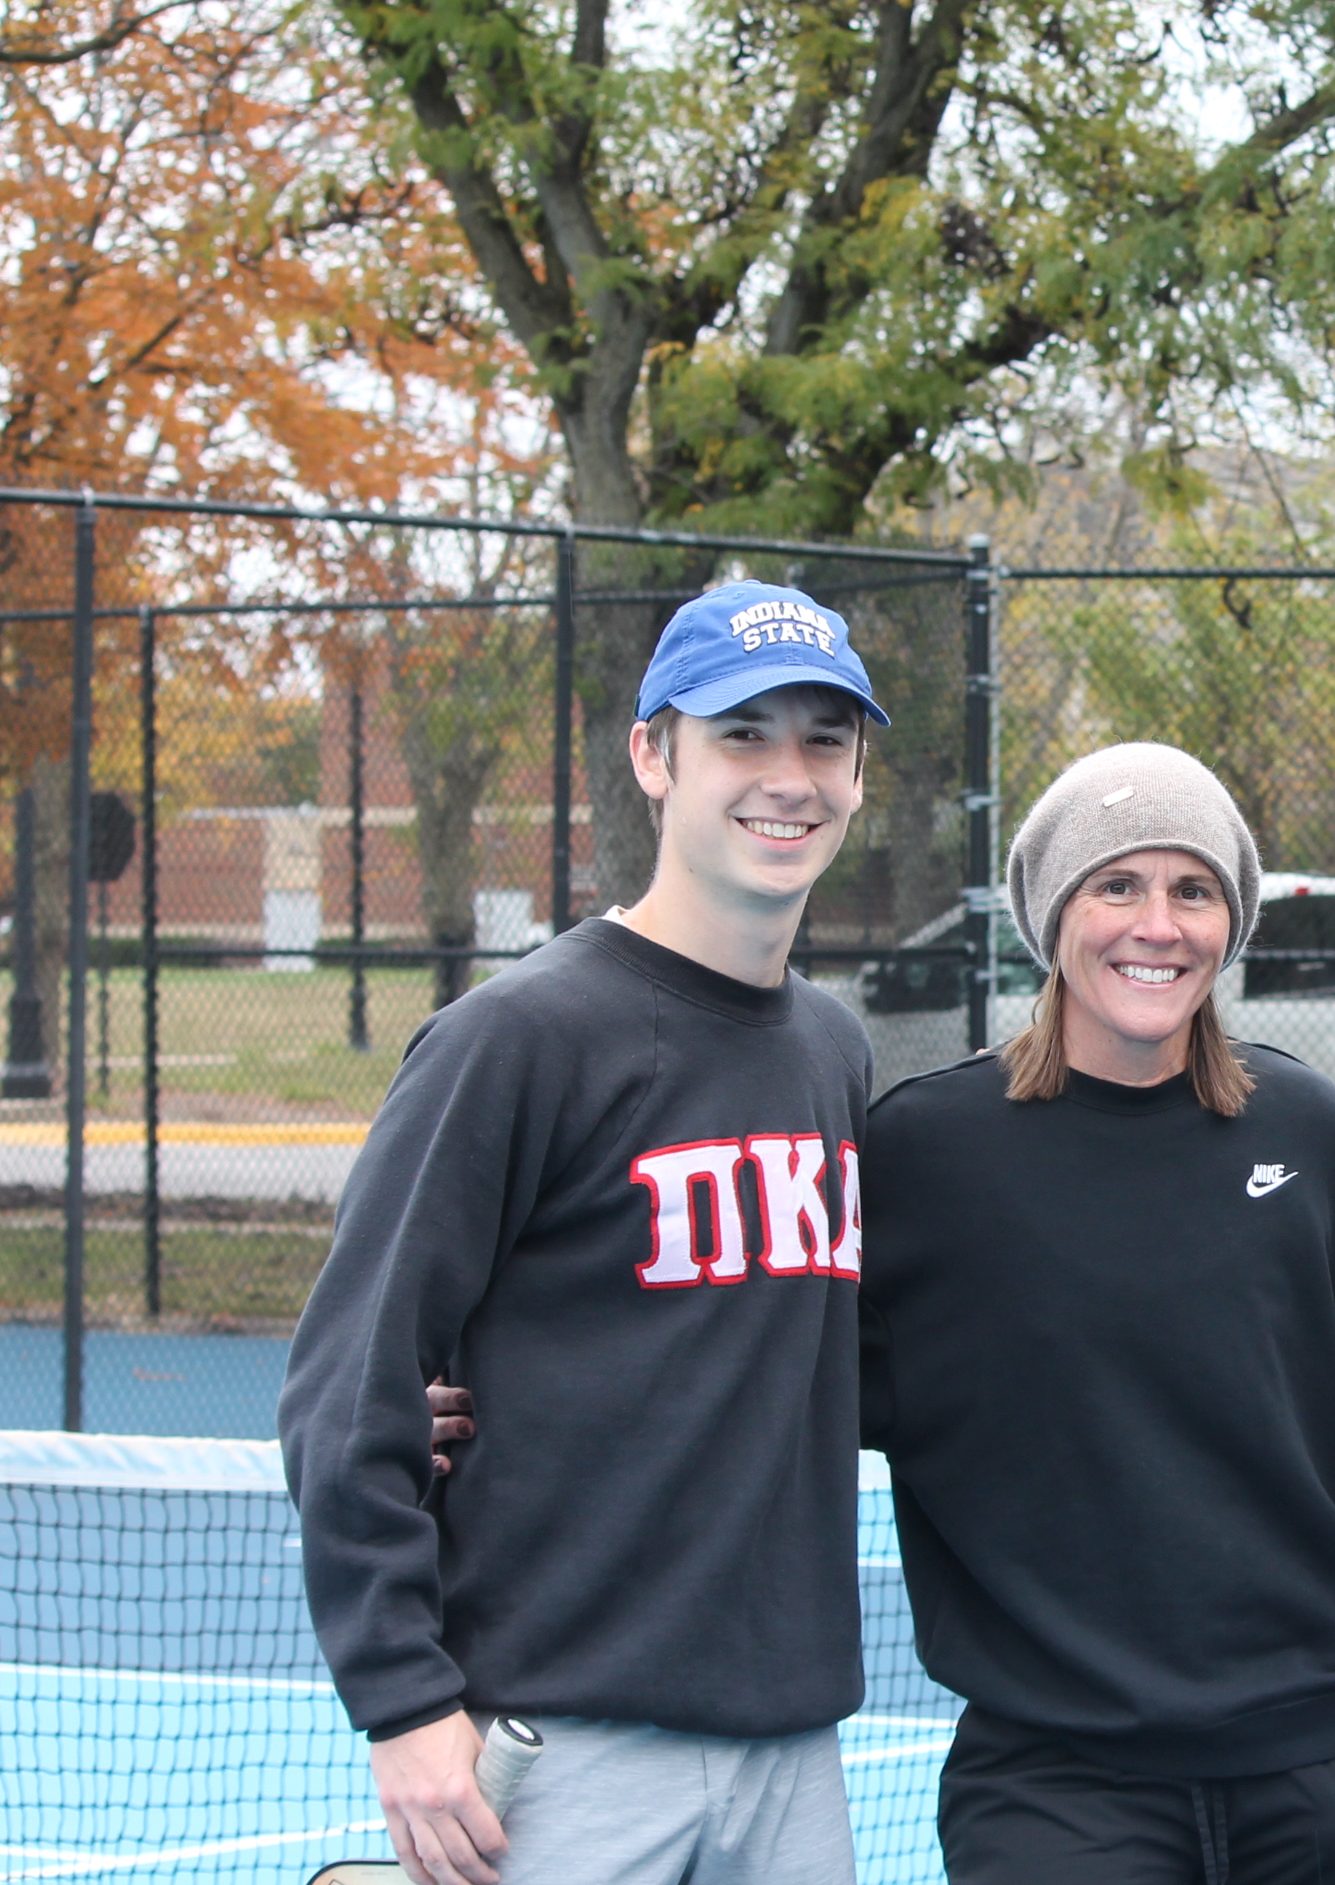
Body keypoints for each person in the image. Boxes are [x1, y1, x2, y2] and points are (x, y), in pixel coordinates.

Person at [281, 582, 890, 1885]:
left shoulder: (836, 1049)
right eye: (743, 735)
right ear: (652, 756)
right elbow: (351, 1383)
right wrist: (400, 1702)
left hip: (793, 1749)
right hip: (565, 1742)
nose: (790, 777)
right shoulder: (520, 1037)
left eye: (824, 741)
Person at [858, 742, 1335, 1885]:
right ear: (1052, 913)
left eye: (1193, 889)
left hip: (1328, 1761)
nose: (1156, 924)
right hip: (1056, 1780)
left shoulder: (1307, 1129)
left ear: (1231, 919)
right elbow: (768, 1376)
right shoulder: (924, 1150)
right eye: (1115, 884)